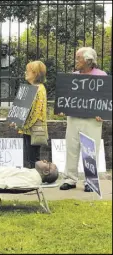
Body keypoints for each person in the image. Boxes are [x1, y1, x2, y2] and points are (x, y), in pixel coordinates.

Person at [59, 47, 107, 192]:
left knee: (90, 149)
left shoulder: (101, 75)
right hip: (73, 118)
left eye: (78, 58)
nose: (76, 61)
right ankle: (70, 179)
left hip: (92, 120)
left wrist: (102, 113)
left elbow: (106, 99)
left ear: (88, 60)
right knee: (71, 148)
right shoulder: (73, 76)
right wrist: (63, 107)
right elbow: (67, 97)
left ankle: (90, 181)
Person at [11, 61, 48, 169]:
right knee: (29, 157)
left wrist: (21, 124)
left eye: (28, 71)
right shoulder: (32, 88)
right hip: (28, 129)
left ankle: (35, 179)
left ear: (35, 73)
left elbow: (35, 113)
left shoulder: (39, 89)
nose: (25, 72)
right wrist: (17, 120)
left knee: (33, 158)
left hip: (34, 129)